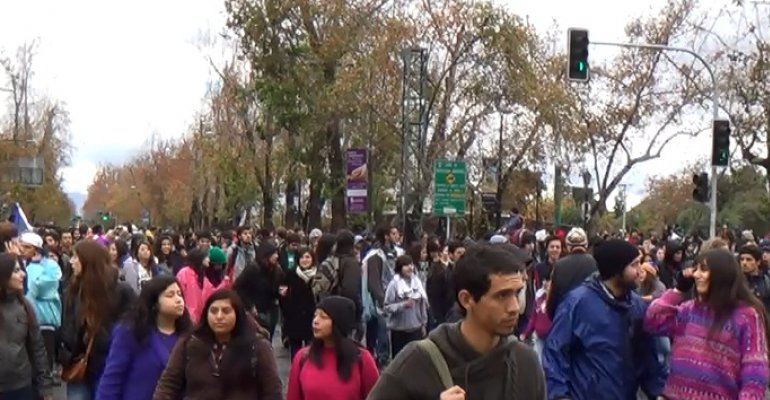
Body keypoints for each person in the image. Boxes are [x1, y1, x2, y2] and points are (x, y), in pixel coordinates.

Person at [367, 244, 545, 399]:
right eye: (502, 295)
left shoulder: (525, 362)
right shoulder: (418, 362)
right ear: (466, 299)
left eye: (517, 293)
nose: (514, 307)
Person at [543, 239, 666, 400]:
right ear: (616, 270)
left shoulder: (637, 306)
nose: (640, 271)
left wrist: (658, 392)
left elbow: (648, 357)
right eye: (634, 265)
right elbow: (555, 352)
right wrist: (559, 395)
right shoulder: (576, 304)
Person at [644, 249, 770, 399]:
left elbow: (755, 371)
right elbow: (653, 321)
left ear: (722, 275)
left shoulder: (746, 315)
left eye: (703, 270)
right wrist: (678, 290)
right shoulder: (688, 309)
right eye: (696, 269)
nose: (696, 275)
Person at [153, 289, 282, 400]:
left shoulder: (257, 346)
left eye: (226, 311)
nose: (219, 316)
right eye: (213, 311)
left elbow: (272, 391)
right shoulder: (190, 343)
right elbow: (168, 384)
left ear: (237, 314)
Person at [97, 276, 193, 400]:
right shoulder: (131, 332)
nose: (178, 300)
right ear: (154, 303)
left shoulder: (189, 336)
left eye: (180, 294)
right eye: (170, 295)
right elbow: (113, 378)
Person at [286, 296, 379, 400]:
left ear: (338, 323)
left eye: (323, 317)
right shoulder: (303, 357)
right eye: (315, 316)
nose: (316, 321)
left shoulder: (362, 359)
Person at [0, 253, 54, 400]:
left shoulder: (24, 305)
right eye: (16, 271)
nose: (23, 274)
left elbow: (37, 347)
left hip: (21, 386)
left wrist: (45, 386)